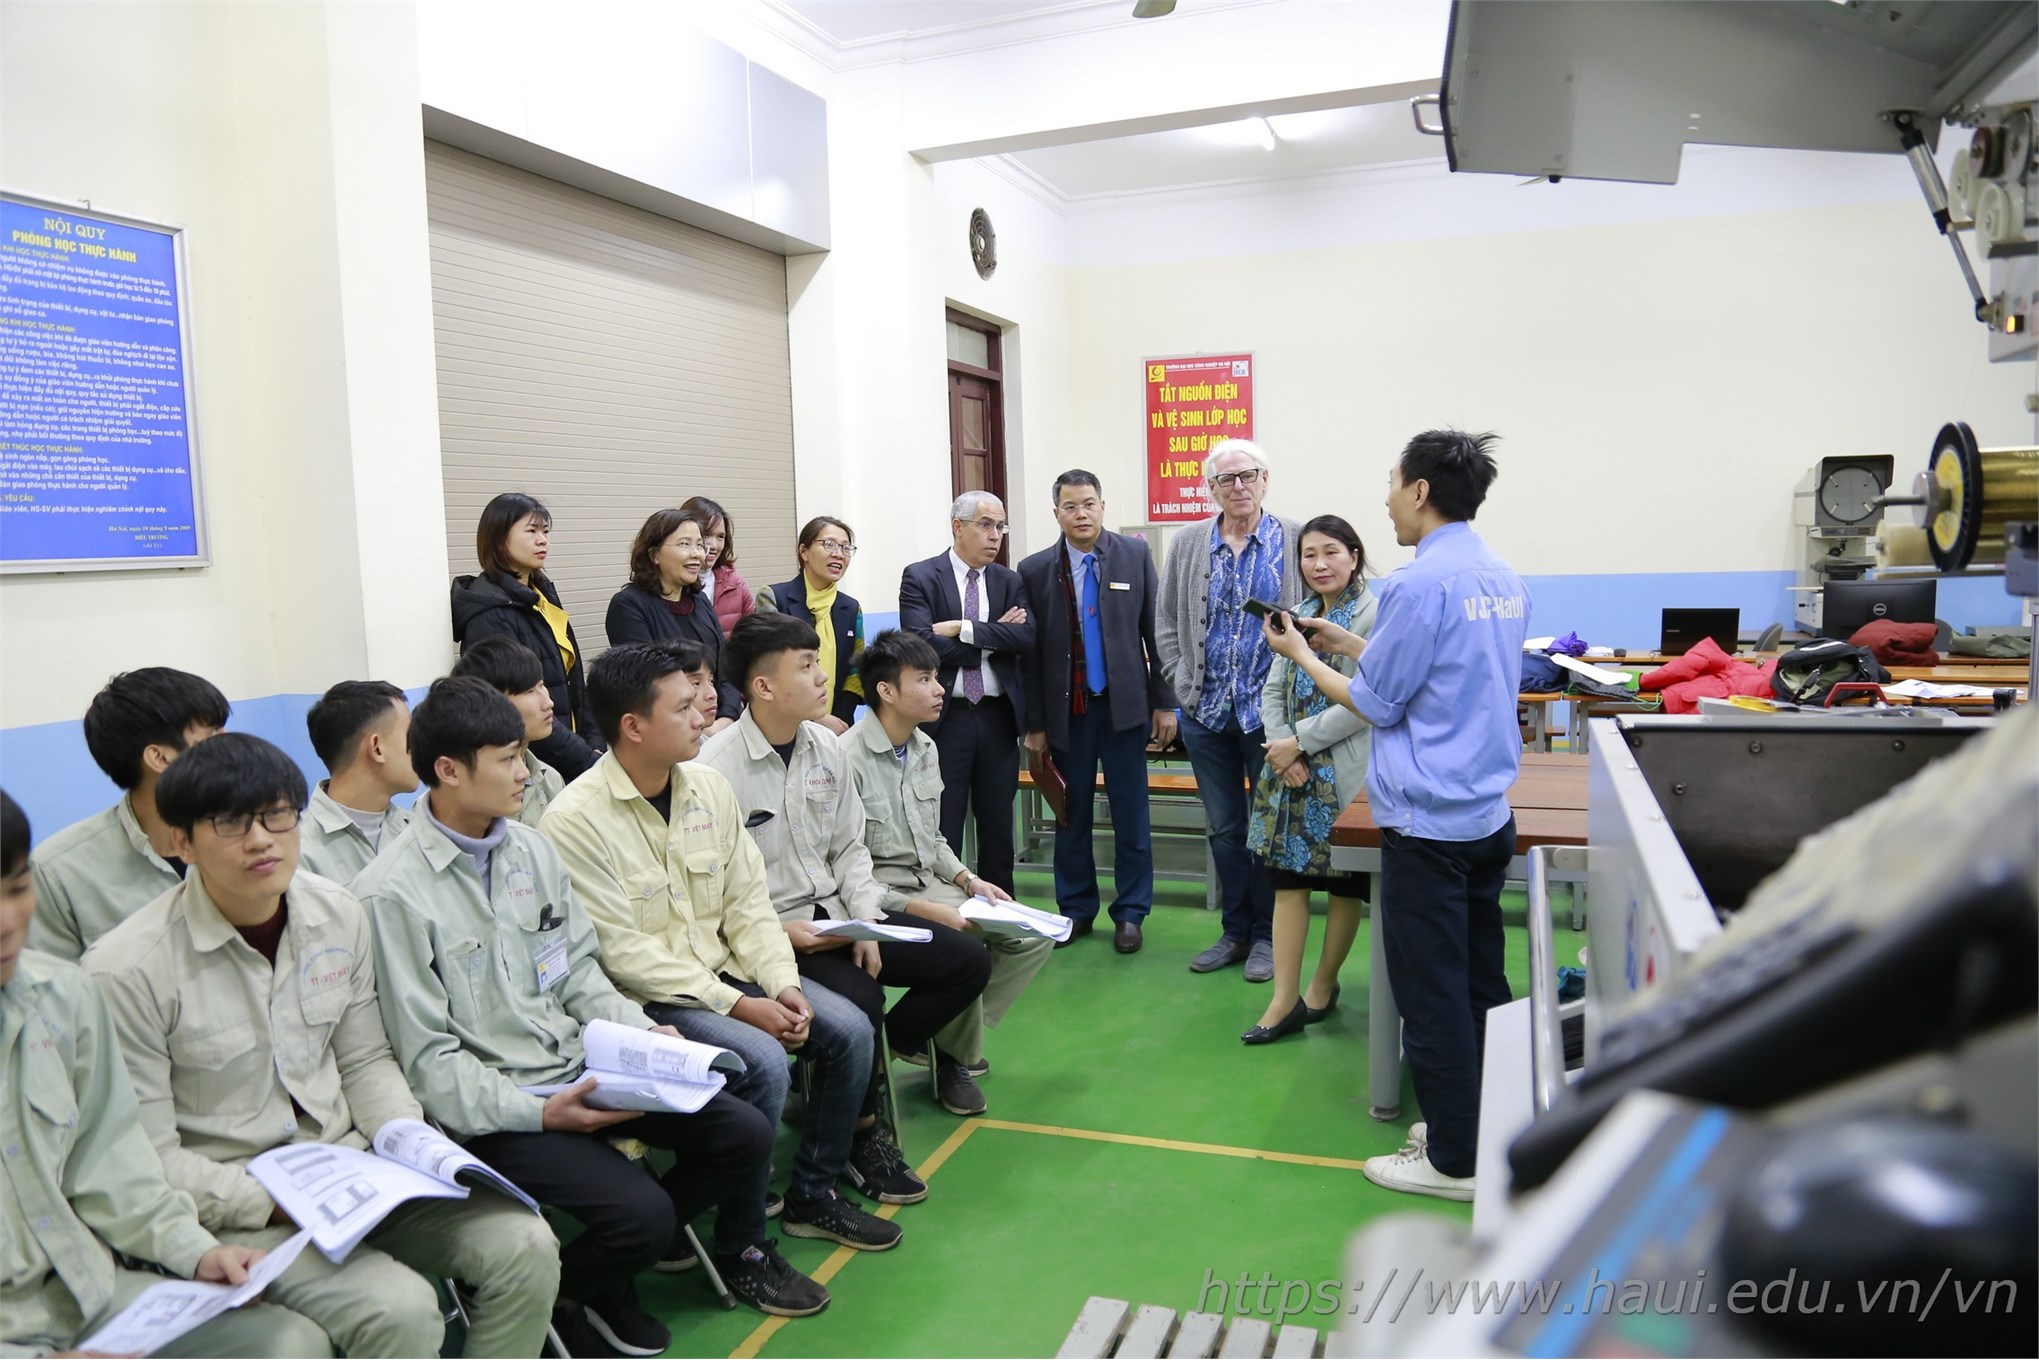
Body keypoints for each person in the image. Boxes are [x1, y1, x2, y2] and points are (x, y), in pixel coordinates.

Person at [81, 734, 560, 1358]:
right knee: (402, 1310)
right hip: (239, 1206)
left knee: (526, 1244)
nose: (261, 840)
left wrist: (405, 1138)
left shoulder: (337, 912)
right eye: (231, 823)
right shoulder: (126, 971)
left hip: (357, 1173)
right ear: (181, 842)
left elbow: (364, 1060)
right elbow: (147, 1155)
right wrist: (273, 1201)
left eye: (277, 815)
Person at [356, 678, 783, 1353]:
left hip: (582, 1069)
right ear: (448, 770)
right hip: (502, 1106)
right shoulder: (391, 895)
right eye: (507, 760)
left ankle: (594, 1273)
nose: (525, 773)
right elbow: (429, 1060)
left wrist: (644, 1036)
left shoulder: (529, 851)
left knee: (744, 1132)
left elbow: (578, 972)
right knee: (642, 1216)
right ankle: (564, 1291)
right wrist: (542, 1114)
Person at [542, 640, 907, 1264]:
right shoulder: (575, 819)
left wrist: (783, 983)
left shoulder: (707, 788)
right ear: (633, 726)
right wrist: (739, 1005)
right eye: (683, 707)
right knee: (762, 1062)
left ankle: (812, 1194)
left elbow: (748, 904)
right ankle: (743, 1245)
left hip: (727, 971)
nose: (703, 715)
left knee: (848, 1029)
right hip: (651, 999)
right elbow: (623, 953)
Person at [1263, 430, 1529, 1201]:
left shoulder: (1415, 586)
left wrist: (1302, 656)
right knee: (1480, 981)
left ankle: (1453, 1160)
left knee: (1430, 995)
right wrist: (1348, 640)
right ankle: (1481, 1127)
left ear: (1419, 491)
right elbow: (1440, 667)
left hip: (1426, 825)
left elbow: (1379, 703)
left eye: (1391, 483)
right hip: (1484, 814)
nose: (1385, 501)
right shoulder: (1502, 577)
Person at [2, 790, 332, 1360]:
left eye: (16, 889)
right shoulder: (128, 962)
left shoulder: (61, 997)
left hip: (83, 1291)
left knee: (288, 1344)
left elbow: (111, 1163)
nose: (9, 923)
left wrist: (195, 1251)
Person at [700, 615, 995, 1118]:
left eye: (818, 662)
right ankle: (861, 1125)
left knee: (967, 961)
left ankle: (877, 1064)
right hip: (778, 931)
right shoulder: (715, 770)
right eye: (806, 666)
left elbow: (851, 849)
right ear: (763, 686)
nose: (823, 677)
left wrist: (866, 922)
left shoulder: (825, 748)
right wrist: (781, 932)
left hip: (840, 915)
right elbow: (714, 894)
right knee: (863, 997)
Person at [843, 630, 1053, 1080]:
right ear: (886, 691)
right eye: (924, 680)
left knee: (1033, 937)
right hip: (880, 898)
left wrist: (968, 880)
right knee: (967, 944)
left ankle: (936, 1035)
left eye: (936, 678)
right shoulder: (847, 759)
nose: (939, 690)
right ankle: (955, 1060)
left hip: (930, 883)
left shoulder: (925, 748)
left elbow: (934, 838)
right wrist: (925, 909)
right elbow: (847, 868)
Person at [1155, 440, 1303, 982]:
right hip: (1207, 712)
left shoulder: (1295, 538)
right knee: (1223, 827)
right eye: (1226, 479)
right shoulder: (1189, 542)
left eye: (1249, 475)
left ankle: (1267, 936)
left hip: (1271, 717)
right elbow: (1166, 619)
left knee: (1267, 827)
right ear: (1210, 488)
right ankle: (1235, 931)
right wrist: (1180, 680)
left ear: (1265, 479)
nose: (1239, 486)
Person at [1016, 471, 1176, 953]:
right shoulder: (1034, 570)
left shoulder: (1133, 555)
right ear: (1057, 513)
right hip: (1068, 714)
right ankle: (1076, 909)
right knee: (1071, 816)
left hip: (1125, 711)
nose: (1081, 514)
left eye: (1088, 504)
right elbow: (1030, 657)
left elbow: (1156, 633)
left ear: (1103, 506)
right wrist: (1036, 725)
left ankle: (1130, 913)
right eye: (1070, 506)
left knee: (1131, 815)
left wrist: (1164, 702)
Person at [1241, 515, 1377, 1044]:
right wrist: (1282, 749)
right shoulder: (1295, 614)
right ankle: (1283, 999)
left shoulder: (1372, 614)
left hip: (1341, 768)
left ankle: (1323, 984)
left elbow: (1367, 700)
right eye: (1309, 554)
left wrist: (1302, 741)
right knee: (1287, 883)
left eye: (1331, 552)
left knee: (1344, 885)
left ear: (1354, 556)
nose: (1319, 564)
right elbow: (1272, 688)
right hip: (1289, 768)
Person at [28, 667, 229, 959]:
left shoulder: (259, 836)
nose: (232, 747)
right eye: (213, 736)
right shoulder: (58, 871)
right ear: (159, 757)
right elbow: (52, 983)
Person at [898, 492, 1035, 895]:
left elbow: (1026, 638)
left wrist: (963, 629)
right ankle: (947, 911)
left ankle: (1001, 913)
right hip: (945, 719)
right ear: (958, 527)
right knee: (944, 824)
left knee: (998, 829)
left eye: (1000, 526)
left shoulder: (1009, 581)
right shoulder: (921, 576)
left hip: (997, 718)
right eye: (986, 525)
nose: (996, 536)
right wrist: (995, 637)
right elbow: (921, 645)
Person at [451, 491, 603, 781]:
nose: (543, 540)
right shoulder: (490, 613)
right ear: (498, 539)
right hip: (532, 768)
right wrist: (584, 760)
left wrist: (594, 744)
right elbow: (513, 708)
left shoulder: (541, 596)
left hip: (574, 757)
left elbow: (574, 683)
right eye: (531, 531)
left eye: (545, 531)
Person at [604, 507, 743, 725]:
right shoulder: (628, 605)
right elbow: (648, 682)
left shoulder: (700, 601)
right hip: (669, 727)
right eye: (684, 544)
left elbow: (725, 668)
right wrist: (701, 727)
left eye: (699, 545)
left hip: (718, 722)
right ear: (654, 554)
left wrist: (726, 717)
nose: (697, 554)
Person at [752, 516, 866, 734]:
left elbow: (856, 670)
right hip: (785, 723)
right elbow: (771, 667)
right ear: (803, 552)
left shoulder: (851, 608)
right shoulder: (774, 597)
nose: (838, 554)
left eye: (845, 548)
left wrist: (840, 718)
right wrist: (816, 717)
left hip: (838, 727)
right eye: (829, 544)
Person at [299, 680, 414, 883]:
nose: (421, 747)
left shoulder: (415, 828)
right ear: (376, 748)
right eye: (411, 736)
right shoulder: (299, 851)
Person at [450, 636, 567, 826]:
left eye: (541, 685)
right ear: (491, 702)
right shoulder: (460, 796)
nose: (548, 703)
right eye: (529, 691)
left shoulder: (550, 778)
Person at [681, 495, 757, 640]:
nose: (714, 545)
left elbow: (753, 634)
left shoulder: (735, 583)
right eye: (706, 535)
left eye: (720, 537)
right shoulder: (673, 583)